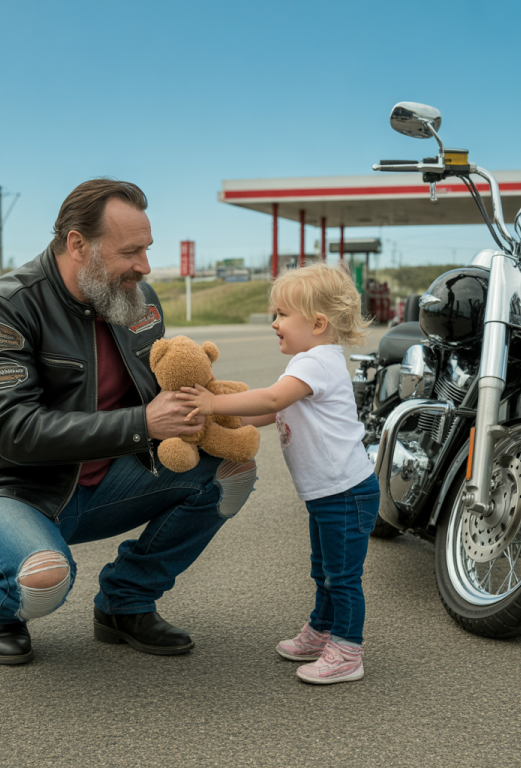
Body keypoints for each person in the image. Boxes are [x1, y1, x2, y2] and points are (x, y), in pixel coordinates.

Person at [0, 178, 256, 665]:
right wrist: (143, 425)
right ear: (77, 244)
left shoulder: (135, 298)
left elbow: (160, 391)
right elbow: (15, 432)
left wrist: (219, 406)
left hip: (102, 484)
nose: (145, 266)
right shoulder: (4, 308)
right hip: (8, 490)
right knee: (41, 581)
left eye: (147, 249)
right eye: (130, 251)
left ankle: (125, 603)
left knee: (231, 472)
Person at [178, 262, 379, 684]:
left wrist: (214, 406)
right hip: (329, 492)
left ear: (318, 323)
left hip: (345, 492)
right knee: (323, 568)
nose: (274, 323)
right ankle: (322, 631)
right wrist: (227, 429)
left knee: (342, 576)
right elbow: (276, 411)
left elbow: (270, 397)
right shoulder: (313, 363)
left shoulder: (316, 363)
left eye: (283, 315)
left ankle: (347, 651)